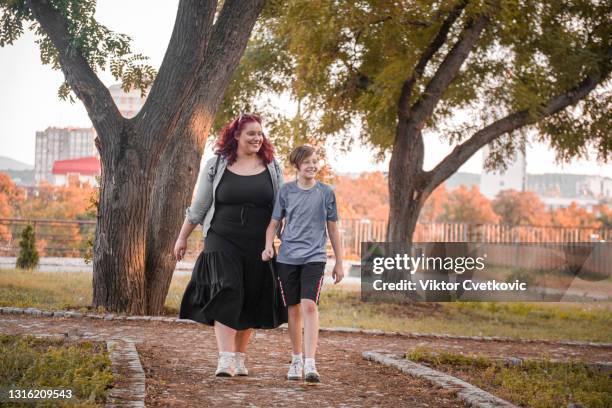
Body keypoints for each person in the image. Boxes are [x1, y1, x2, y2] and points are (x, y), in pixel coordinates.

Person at [174, 113, 286, 377]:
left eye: (260, 134)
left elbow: (282, 207)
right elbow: (200, 205)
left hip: (259, 242)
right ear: (236, 135)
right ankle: (225, 359)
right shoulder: (216, 165)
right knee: (228, 289)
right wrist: (182, 237)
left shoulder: (272, 166)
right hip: (221, 237)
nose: (257, 138)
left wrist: (286, 237)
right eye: (251, 134)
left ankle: (239, 357)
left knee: (249, 296)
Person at [262, 145, 344, 383]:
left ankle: (310, 363)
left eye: (315, 161)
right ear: (297, 165)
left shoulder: (326, 192)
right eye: (307, 162)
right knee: (293, 309)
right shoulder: (286, 191)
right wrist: (269, 246)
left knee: (309, 305)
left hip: (314, 257)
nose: (312, 165)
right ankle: (296, 359)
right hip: (287, 258)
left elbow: (333, 228)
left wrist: (339, 261)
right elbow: (273, 223)